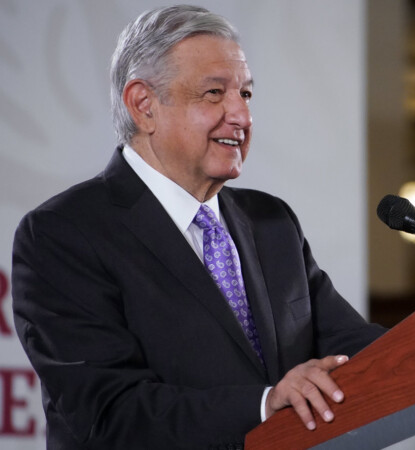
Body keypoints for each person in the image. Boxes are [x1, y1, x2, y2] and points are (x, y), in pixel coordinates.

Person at [11, 5, 385, 449]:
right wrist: (265, 405)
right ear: (143, 105)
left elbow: (360, 350)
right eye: (213, 93)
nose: (241, 117)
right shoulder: (63, 234)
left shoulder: (272, 222)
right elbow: (111, 413)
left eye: (245, 94)